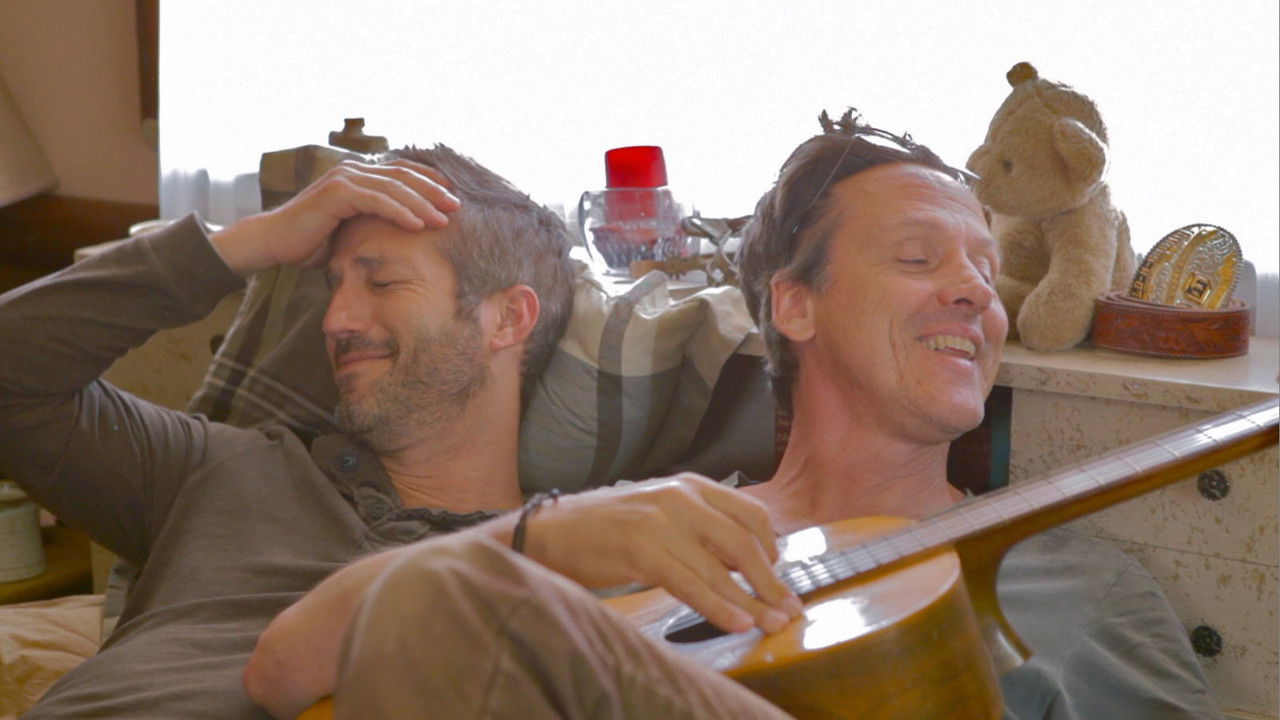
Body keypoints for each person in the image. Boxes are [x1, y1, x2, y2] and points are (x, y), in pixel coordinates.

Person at [247, 112, 1222, 720]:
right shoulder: (641, 529)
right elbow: (284, 670)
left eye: (985, 269)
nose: (974, 293)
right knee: (431, 592)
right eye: (918, 259)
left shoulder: (1075, 584)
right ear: (793, 306)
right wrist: (542, 538)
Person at [0, 145, 800, 719]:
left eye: (381, 282)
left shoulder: (580, 569)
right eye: (331, 288)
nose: (337, 320)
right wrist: (256, 240)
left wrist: (535, 545)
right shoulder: (223, 467)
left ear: (506, 319)